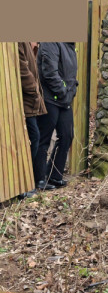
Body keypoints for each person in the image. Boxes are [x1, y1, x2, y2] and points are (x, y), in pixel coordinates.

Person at [36, 42, 78, 189]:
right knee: (44, 138)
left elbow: (69, 75)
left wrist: (71, 90)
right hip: (50, 98)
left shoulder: (69, 45)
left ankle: (54, 175)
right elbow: (50, 73)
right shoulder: (50, 42)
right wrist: (63, 92)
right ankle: (39, 178)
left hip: (64, 99)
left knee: (67, 135)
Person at [17, 42, 46, 197]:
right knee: (33, 138)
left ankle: (27, 183)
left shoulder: (31, 45)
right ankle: (23, 184)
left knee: (34, 138)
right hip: (26, 100)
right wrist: (34, 90)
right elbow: (23, 69)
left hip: (31, 100)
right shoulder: (20, 42)